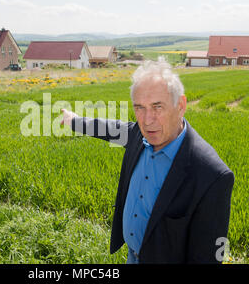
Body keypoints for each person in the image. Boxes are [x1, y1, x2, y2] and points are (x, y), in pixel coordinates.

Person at [61, 58, 234, 263]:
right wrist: (74, 121)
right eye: (139, 108)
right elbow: (108, 129)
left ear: (180, 106)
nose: (147, 120)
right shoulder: (137, 135)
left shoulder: (211, 174)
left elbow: (208, 257)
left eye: (157, 107)